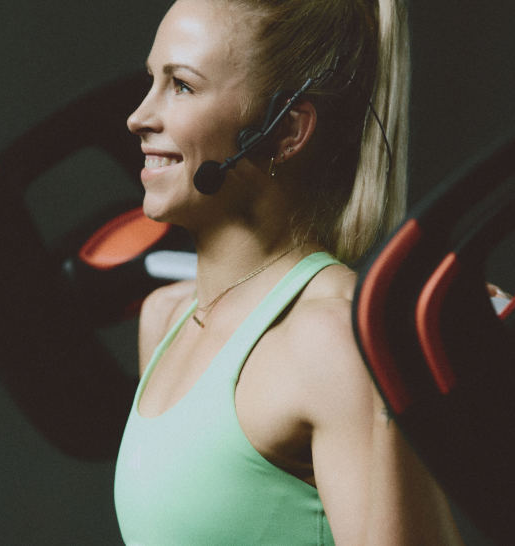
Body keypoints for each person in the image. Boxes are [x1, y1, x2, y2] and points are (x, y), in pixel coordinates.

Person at [113, 0, 465, 544]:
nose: (139, 116)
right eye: (151, 81)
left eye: (181, 85)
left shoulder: (333, 340)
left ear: (287, 131)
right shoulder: (168, 320)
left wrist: (397, 366)